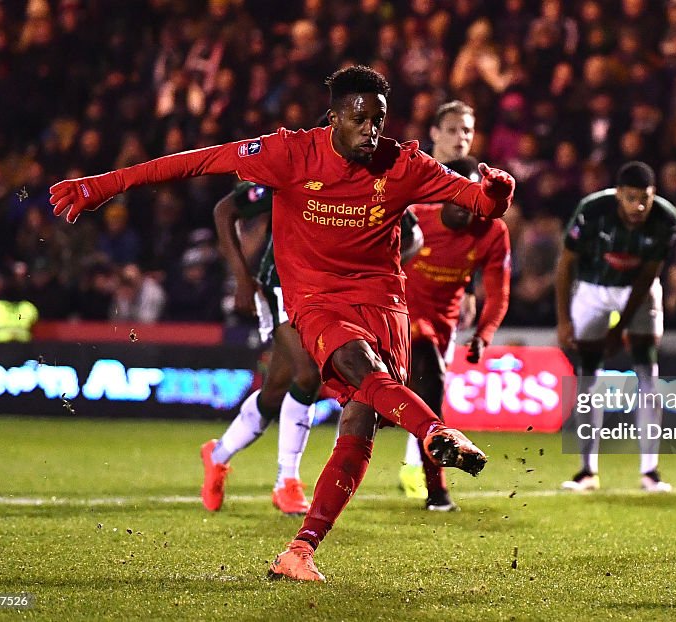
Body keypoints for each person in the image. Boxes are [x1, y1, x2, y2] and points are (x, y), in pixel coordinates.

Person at [49, 65, 515, 582]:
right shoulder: (289, 153)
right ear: (334, 116)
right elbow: (196, 162)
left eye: (378, 120)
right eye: (359, 119)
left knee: (359, 425)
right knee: (350, 369)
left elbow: (478, 203)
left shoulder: (403, 163)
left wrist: (498, 192)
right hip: (317, 300)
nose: (370, 131)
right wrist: (104, 185)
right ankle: (434, 432)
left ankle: (301, 550)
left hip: (385, 305)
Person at [201, 178, 423, 516]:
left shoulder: (374, 179)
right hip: (284, 286)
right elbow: (225, 209)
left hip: (333, 293)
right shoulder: (293, 171)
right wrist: (243, 277)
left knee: (275, 390)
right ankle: (286, 482)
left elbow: (413, 235)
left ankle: (217, 455)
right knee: (309, 375)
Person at [555, 161, 676, 493]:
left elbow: (649, 274)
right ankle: (587, 471)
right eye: (630, 198)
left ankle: (650, 472)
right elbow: (566, 262)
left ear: (654, 196)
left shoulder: (667, 219)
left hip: (637, 291)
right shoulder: (592, 210)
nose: (638, 206)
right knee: (588, 377)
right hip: (593, 290)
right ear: (618, 195)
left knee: (648, 375)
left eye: (645, 198)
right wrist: (564, 318)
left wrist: (620, 327)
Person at [400, 156, 511, 512]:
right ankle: (438, 491)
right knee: (429, 389)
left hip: (445, 328)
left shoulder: (492, 231)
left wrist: (483, 334)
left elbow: (498, 292)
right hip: (398, 318)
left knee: (421, 406)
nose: (468, 205)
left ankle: (433, 488)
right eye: (460, 195)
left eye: (474, 196)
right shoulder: (413, 218)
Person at [398, 99, 479, 501]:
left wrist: (470, 289)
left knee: (428, 385)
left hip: (445, 300)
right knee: (414, 384)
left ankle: (415, 465)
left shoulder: (473, 179)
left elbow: (477, 239)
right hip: (402, 298)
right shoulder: (415, 175)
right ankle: (422, 474)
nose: (461, 138)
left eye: (467, 130)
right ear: (434, 133)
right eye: (452, 129)